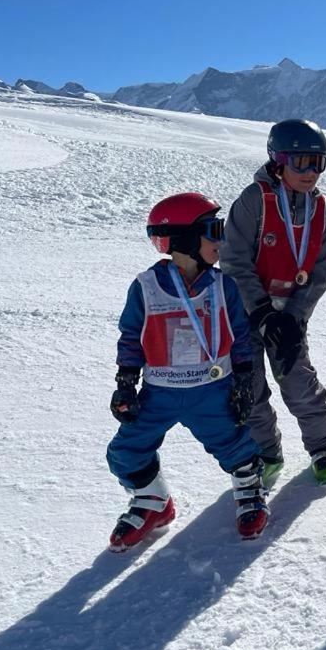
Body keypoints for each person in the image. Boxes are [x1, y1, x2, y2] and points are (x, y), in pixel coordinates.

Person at [107, 193, 267, 551]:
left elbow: (241, 335)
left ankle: (250, 491)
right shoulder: (146, 287)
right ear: (181, 239)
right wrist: (125, 383)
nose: (220, 240)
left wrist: (243, 379)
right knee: (125, 451)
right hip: (159, 392)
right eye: (213, 231)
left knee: (235, 445)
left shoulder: (222, 285)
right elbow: (131, 336)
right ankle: (153, 503)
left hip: (211, 388)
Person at [221, 119, 326, 488]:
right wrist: (260, 313)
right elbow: (235, 259)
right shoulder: (254, 201)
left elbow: (319, 271)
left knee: (297, 380)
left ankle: (323, 447)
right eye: (300, 162)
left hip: (289, 315)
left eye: (317, 163)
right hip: (246, 314)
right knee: (250, 386)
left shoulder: (323, 212)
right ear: (278, 160)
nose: (310, 172)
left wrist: (293, 318)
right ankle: (266, 453)